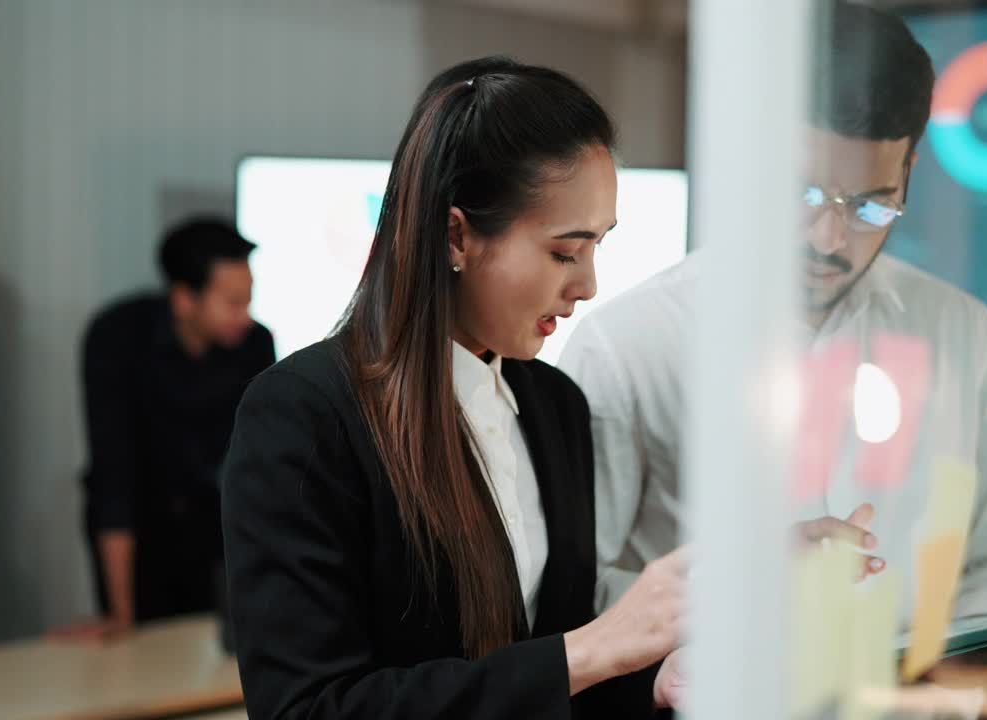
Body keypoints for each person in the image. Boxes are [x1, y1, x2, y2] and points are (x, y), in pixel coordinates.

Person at [558, 1, 987, 678]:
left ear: (910, 168)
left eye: (871, 205)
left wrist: (959, 664)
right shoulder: (626, 345)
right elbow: (577, 591)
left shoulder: (962, 335)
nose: (830, 237)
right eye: (804, 193)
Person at [221, 57, 693, 719]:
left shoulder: (555, 405)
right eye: (565, 250)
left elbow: (546, 679)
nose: (587, 285)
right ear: (456, 235)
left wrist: (652, 679)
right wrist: (586, 653)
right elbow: (308, 708)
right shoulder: (305, 415)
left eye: (597, 248)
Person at [56, 217, 275, 640]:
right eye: (232, 303)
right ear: (183, 299)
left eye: (248, 301)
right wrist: (121, 614)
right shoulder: (117, 338)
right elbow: (112, 479)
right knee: (138, 652)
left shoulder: (254, 345)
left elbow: (261, 468)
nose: (245, 317)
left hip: (216, 528)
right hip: (143, 530)